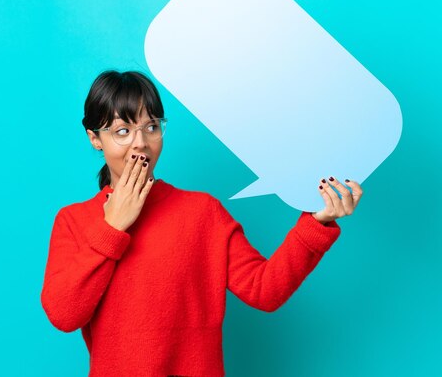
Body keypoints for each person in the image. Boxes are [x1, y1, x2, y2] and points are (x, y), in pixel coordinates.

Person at [40, 69, 363, 377]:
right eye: (122, 131)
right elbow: (65, 315)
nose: (140, 143)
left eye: (151, 126)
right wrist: (113, 227)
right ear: (96, 139)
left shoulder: (202, 212)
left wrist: (317, 222)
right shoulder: (74, 221)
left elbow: (265, 291)